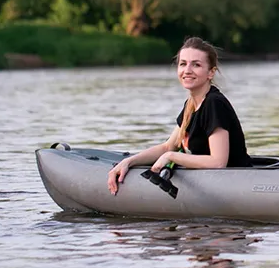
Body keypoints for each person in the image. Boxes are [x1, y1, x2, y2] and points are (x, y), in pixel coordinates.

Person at [107, 37, 252, 195]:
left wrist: (172, 157)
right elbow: (168, 146)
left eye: (196, 65)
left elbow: (218, 162)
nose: (187, 70)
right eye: (183, 64)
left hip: (236, 185)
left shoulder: (214, 103)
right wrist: (129, 161)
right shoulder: (191, 104)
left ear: (211, 72)